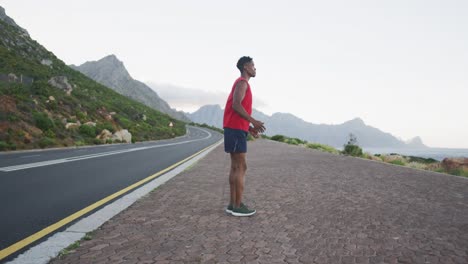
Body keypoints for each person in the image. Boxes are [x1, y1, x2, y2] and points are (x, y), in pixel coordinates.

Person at [223, 56, 265, 217]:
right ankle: (238, 206)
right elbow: (236, 105)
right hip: (234, 130)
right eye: (253, 66)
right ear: (246, 67)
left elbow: (237, 110)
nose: (255, 68)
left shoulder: (241, 83)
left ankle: (233, 204)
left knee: (236, 167)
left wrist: (248, 128)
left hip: (235, 129)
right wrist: (253, 121)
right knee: (241, 167)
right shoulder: (242, 83)